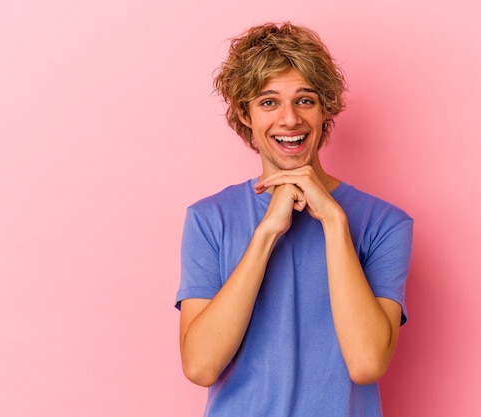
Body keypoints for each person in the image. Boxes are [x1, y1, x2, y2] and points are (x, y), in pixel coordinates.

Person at [175, 22, 413, 417]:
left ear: (325, 109)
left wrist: (334, 222)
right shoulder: (209, 218)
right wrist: (267, 232)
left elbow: (367, 363)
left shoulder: (384, 223)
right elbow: (200, 367)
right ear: (244, 113)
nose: (289, 120)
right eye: (269, 102)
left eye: (305, 100)